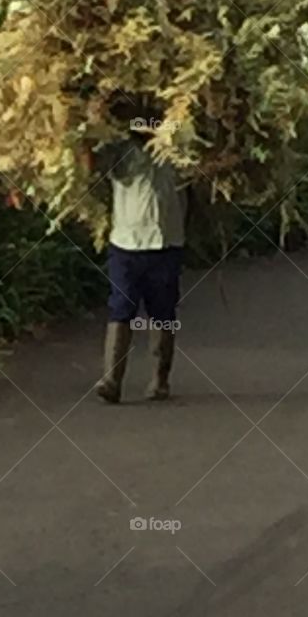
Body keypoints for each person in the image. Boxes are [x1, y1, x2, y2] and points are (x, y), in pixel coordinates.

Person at [87, 104, 189, 404]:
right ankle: (111, 380)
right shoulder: (120, 150)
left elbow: (206, 166)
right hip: (126, 243)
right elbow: (90, 165)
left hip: (166, 244)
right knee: (121, 308)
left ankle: (160, 379)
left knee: (163, 313)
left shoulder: (176, 149)